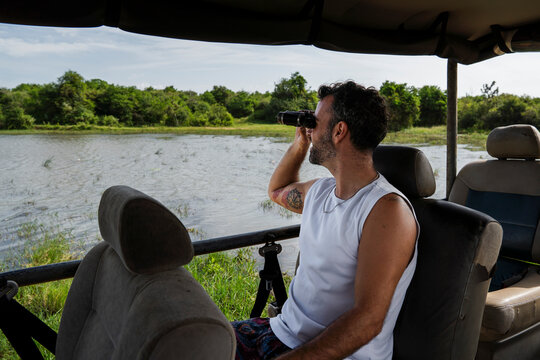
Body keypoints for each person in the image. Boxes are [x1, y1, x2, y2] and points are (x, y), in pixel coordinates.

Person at [232, 81, 418, 360]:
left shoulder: (386, 210)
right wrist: (300, 143)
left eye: (314, 122)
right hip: (280, 332)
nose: (309, 128)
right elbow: (276, 191)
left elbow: (367, 320)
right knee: (185, 341)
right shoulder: (319, 192)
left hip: (332, 354)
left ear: (340, 131)